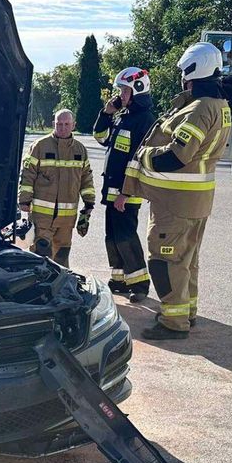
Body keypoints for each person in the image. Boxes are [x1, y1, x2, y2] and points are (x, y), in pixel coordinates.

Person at [117, 42, 232, 340]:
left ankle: (173, 322)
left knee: (165, 261)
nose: (182, 78)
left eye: (184, 72)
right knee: (187, 261)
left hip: (176, 204)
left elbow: (177, 155)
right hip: (196, 202)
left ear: (193, 71)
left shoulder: (198, 109)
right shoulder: (219, 106)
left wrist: (143, 156)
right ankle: (186, 312)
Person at [93, 67, 157, 302]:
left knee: (125, 236)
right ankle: (119, 279)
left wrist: (125, 194)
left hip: (125, 194)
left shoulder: (145, 120)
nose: (120, 95)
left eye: (123, 90)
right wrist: (107, 113)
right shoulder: (124, 116)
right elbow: (101, 138)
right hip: (113, 192)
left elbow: (136, 162)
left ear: (138, 90)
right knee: (112, 236)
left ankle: (139, 284)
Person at [17, 109, 96, 268]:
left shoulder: (80, 150)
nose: (62, 127)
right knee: (41, 254)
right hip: (42, 217)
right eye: (59, 124)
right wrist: (24, 199)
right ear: (53, 124)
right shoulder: (40, 146)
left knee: (62, 255)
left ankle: (61, 289)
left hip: (66, 219)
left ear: (74, 125)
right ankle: (38, 288)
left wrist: (89, 204)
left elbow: (86, 178)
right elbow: (27, 174)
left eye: (67, 124)